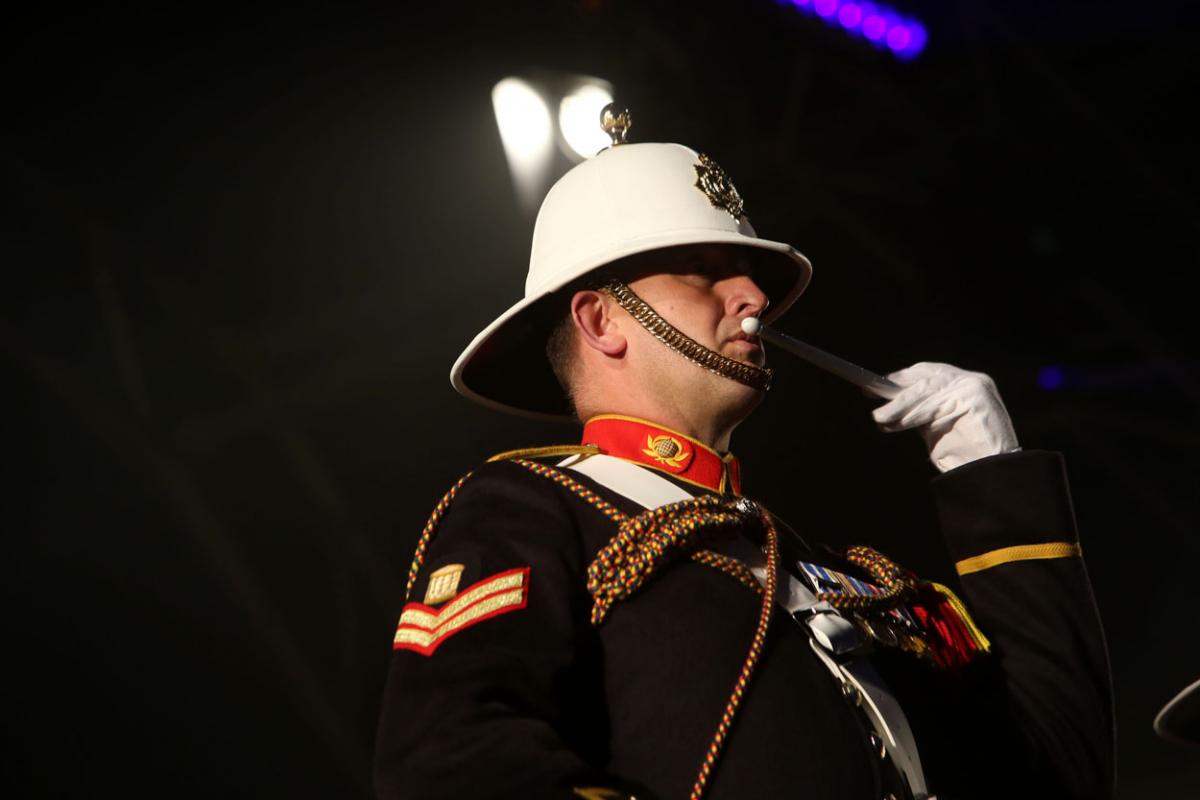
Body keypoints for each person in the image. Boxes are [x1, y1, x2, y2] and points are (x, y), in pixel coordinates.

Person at [374, 110, 1114, 800]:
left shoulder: (827, 572)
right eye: (702, 270)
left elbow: (1064, 771)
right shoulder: (530, 507)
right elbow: (453, 766)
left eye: (745, 271)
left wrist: (992, 475)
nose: (754, 293)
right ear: (602, 321)